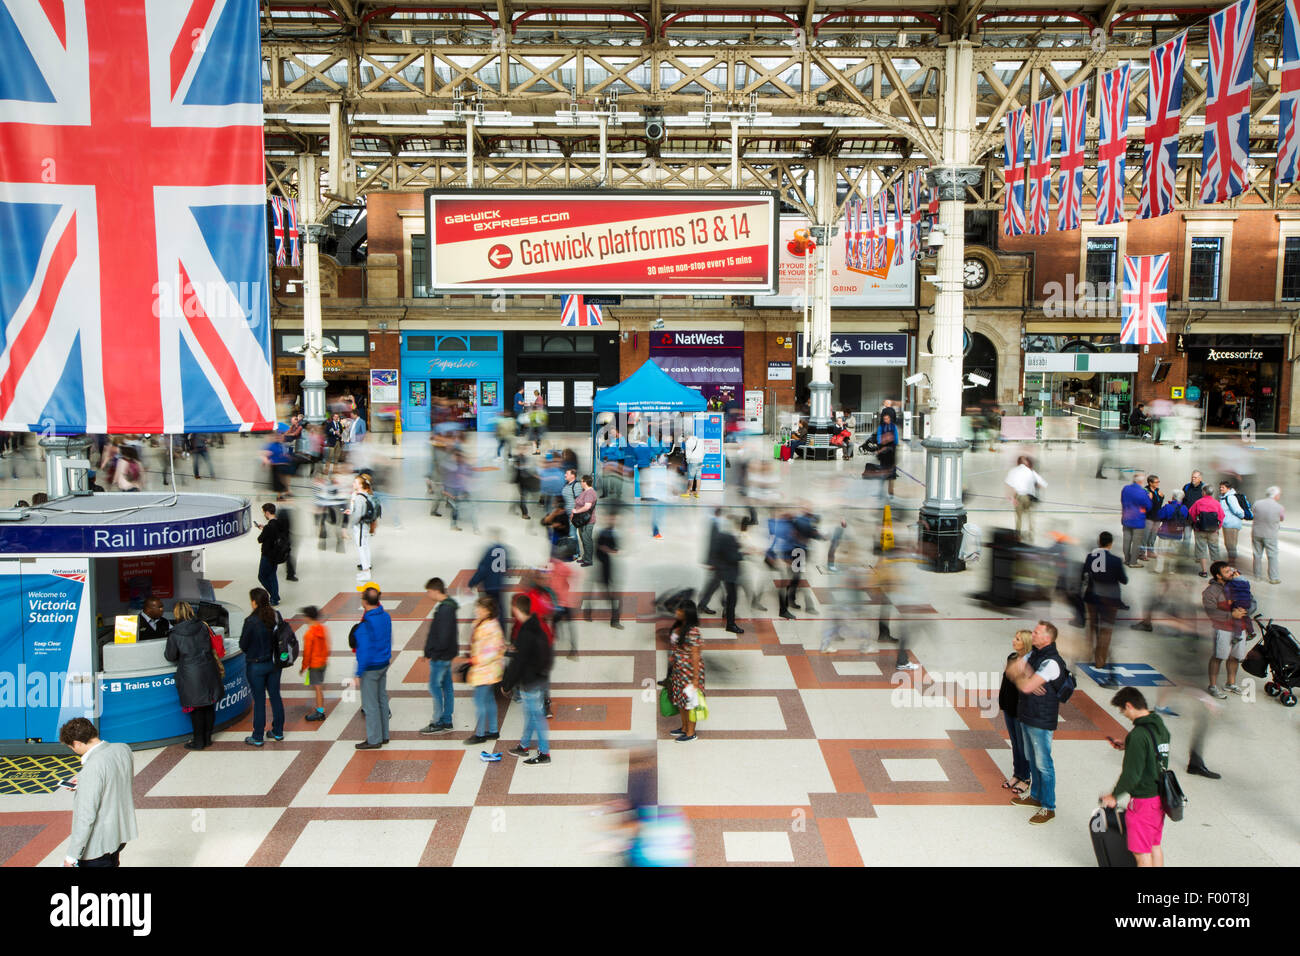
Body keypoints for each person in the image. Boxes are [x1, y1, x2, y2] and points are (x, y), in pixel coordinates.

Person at [1101, 687, 1172, 867]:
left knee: (1141, 854)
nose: (1124, 715)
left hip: (1143, 802)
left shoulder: (1138, 735)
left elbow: (1132, 775)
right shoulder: (1159, 726)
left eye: (1123, 711)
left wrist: (1113, 795)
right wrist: (1128, 745)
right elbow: (1153, 748)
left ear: (1129, 705)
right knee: (1154, 845)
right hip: (1159, 798)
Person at [1005, 620, 1067, 825]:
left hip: (1041, 719)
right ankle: (1036, 797)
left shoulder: (1051, 663)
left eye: (1037, 632)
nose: (1032, 634)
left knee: (1043, 763)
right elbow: (1012, 670)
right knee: (1032, 759)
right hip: (1028, 713)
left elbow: (1024, 685)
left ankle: (1048, 807)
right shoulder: (1035, 655)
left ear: (1046, 638)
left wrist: (1026, 678)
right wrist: (1028, 677)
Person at [58, 718, 138, 868]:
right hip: (118, 833)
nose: (73, 750)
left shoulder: (92, 768)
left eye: (71, 747)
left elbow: (86, 817)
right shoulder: (122, 748)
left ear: (77, 743)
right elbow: (114, 774)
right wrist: (81, 777)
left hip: (98, 846)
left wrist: (72, 856)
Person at [163, 601, 225, 750]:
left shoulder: (175, 633)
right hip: (209, 669)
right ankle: (207, 738)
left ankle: (198, 742)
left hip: (190, 674)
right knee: (209, 706)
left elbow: (170, 656)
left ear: (176, 614)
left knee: (196, 709)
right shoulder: (203, 626)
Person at [504, 594, 553, 765]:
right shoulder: (537, 625)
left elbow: (519, 662)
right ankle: (524, 746)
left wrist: (507, 684)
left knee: (536, 716)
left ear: (516, 609)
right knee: (531, 714)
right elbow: (529, 653)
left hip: (530, 681)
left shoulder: (525, 632)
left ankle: (544, 753)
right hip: (539, 678)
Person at [238, 588, 285, 747]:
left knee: (259, 701)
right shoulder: (276, 615)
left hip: (256, 665)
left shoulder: (250, 621)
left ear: (254, 602)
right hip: (274, 664)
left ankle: (258, 736)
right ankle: (278, 731)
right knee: (275, 696)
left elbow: (243, 645)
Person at [1082, 531, 1128, 686]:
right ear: (1110, 543)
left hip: (1092, 596)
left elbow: (1083, 575)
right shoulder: (1115, 560)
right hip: (1110, 598)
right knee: (1106, 631)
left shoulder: (1090, 557)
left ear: (1098, 542)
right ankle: (1099, 661)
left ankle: (1088, 654)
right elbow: (1124, 580)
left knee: (1092, 626)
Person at [1202, 561, 1250, 700]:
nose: (1231, 573)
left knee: (1235, 657)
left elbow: (1251, 601)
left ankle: (1231, 683)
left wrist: (1245, 610)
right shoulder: (1211, 592)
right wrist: (1231, 615)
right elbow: (1211, 612)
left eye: (1231, 570)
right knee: (1218, 657)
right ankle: (1212, 686)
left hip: (1239, 628)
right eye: (1227, 572)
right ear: (1218, 576)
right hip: (1222, 629)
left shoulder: (1238, 585)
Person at [352, 586, 393, 749]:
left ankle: (374, 739)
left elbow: (364, 652)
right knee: (382, 698)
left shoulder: (365, 625)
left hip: (371, 667)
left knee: (370, 704)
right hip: (384, 663)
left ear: (364, 602)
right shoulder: (385, 616)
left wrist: (358, 673)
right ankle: (384, 735)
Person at [464, 596, 505, 746]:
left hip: (486, 670)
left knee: (479, 701)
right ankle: (493, 730)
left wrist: (476, 659)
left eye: (480, 608)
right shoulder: (483, 623)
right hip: (487, 670)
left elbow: (493, 651)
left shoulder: (492, 628)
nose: (477, 610)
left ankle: (480, 733)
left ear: (488, 611)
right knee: (488, 700)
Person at [420, 577, 458, 734]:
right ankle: (447, 720)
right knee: (447, 687)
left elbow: (441, 636)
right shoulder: (448, 607)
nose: (428, 595)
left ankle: (438, 721)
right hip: (447, 655)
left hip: (440, 657)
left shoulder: (444, 610)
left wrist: (432, 652)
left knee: (435, 687)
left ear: (436, 591)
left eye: (429, 591)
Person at [998, 630, 1034, 795]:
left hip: (1022, 711)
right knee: (1014, 743)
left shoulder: (1031, 664)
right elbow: (1006, 683)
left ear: (1025, 644)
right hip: (1009, 707)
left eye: (1018, 639)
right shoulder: (1012, 658)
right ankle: (1017, 773)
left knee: (1023, 745)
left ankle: (1025, 778)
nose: (1014, 641)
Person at [666, 599, 705, 742]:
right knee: (681, 701)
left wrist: (695, 679)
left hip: (690, 673)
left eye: (680, 611)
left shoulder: (693, 632)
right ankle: (684, 727)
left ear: (687, 614)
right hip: (679, 671)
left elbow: (695, 656)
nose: (677, 612)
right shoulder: (679, 627)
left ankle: (691, 732)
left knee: (690, 703)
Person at [593, 506, 624, 630]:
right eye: (611, 518)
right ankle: (614, 621)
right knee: (611, 597)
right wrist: (608, 550)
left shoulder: (612, 533)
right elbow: (598, 551)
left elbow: (616, 549)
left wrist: (611, 550)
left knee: (614, 598)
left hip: (609, 569)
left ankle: (614, 620)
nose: (612, 520)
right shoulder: (603, 533)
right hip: (603, 570)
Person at [1004, 455, 1046, 543]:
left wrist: (1012, 499)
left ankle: (1018, 536)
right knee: (1030, 517)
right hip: (1029, 498)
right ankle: (1031, 535)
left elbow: (1009, 486)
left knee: (1019, 518)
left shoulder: (1013, 471)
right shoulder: (1030, 471)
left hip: (1018, 497)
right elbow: (1042, 484)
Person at [255, 502, 289, 606]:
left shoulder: (269, 527)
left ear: (267, 512)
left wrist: (264, 530)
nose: (264, 515)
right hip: (277, 554)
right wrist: (264, 528)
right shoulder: (279, 523)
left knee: (262, 576)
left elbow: (260, 539)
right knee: (272, 575)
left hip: (267, 555)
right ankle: (275, 597)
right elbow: (275, 532)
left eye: (264, 513)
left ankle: (274, 596)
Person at [1187, 485, 1225, 578]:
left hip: (1200, 530)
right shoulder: (1216, 503)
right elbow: (1222, 516)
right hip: (1213, 531)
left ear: (1204, 492)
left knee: (1201, 549)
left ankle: (1204, 571)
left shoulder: (1198, 502)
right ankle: (1218, 572)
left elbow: (1191, 513)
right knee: (1215, 550)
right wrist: (1217, 527)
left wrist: (1197, 523)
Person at [299, 606, 329, 721]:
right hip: (323, 662)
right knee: (319, 686)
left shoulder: (309, 634)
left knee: (317, 687)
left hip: (315, 664)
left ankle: (320, 711)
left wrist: (303, 667)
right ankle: (320, 708)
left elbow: (307, 653)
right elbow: (327, 646)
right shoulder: (322, 629)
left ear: (308, 617)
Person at [1251, 486, 1283, 585]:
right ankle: (1273, 578)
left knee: (1257, 555)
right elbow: (1282, 518)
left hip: (1256, 533)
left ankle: (1257, 576)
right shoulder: (1279, 507)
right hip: (1270, 534)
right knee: (1272, 556)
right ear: (1276, 495)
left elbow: (1253, 513)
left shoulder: (1257, 503)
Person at [345, 473, 375, 575]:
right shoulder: (367, 495)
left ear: (361, 485)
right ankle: (367, 565)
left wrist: (351, 523)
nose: (353, 483)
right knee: (365, 545)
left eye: (355, 482)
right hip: (365, 525)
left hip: (360, 526)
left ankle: (366, 570)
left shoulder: (359, 497)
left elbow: (358, 514)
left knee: (361, 546)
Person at [1120, 472, 1150, 567]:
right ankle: (1133, 562)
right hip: (1138, 520)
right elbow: (1148, 506)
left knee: (1126, 540)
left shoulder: (1125, 489)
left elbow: (1122, 500)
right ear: (1141, 481)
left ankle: (1127, 559)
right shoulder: (1143, 492)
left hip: (1126, 518)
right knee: (1136, 542)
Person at [1218, 480, 1246, 563]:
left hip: (1232, 524)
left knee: (1231, 545)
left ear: (1228, 488)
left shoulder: (1230, 497)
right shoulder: (1224, 497)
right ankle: (1231, 560)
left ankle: (1232, 562)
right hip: (1227, 524)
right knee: (1228, 544)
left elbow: (1237, 510)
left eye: (1223, 487)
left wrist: (1242, 516)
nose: (1220, 489)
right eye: (1220, 487)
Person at [572, 473, 598, 567]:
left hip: (588, 521)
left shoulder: (590, 493)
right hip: (582, 521)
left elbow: (587, 507)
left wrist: (576, 511)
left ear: (585, 482)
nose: (580, 483)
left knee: (587, 540)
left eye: (581, 481)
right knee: (584, 540)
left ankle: (588, 560)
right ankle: (585, 557)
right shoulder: (585, 491)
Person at [1140, 474, 1164, 562]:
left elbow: (1158, 504)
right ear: (1150, 483)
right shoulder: (1145, 491)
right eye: (1156, 482)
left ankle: (1150, 551)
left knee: (1153, 536)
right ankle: (1141, 553)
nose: (1158, 483)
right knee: (1145, 536)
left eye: (1158, 481)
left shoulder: (1158, 491)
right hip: (1148, 517)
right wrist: (1148, 498)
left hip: (1157, 517)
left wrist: (1162, 497)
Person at [683, 429, 705, 496]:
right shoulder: (700, 440)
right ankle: (697, 493)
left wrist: (688, 461)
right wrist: (701, 459)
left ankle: (687, 492)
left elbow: (688, 454)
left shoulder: (688, 442)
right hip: (700, 461)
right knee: (698, 477)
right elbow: (704, 451)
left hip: (692, 461)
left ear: (687, 436)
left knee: (690, 477)